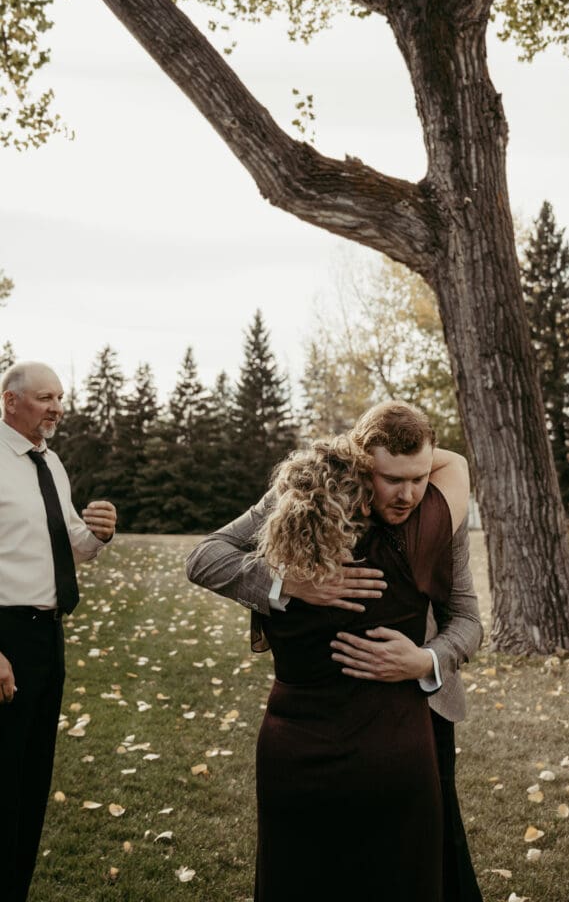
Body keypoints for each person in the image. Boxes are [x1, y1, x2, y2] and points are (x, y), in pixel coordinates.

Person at [187, 401, 483, 901]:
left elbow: (468, 619)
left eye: (419, 477)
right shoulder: (300, 507)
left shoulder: (429, 520)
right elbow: (203, 557)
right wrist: (289, 583)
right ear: (362, 466)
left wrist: (425, 660)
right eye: (393, 479)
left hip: (412, 719)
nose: (410, 494)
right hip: (351, 745)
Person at [0, 361, 117, 902]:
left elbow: (73, 544)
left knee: (31, 780)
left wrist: (98, 534)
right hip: (5, 637)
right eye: (46, 397)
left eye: (61, 397)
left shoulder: (49, 462)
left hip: (47, 637)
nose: (57, 408)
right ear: (10, 401)